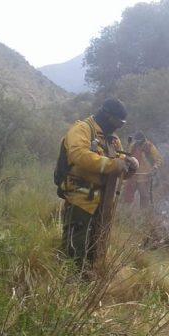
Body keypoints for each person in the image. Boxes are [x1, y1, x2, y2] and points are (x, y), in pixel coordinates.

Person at [58, 98, 139, 270]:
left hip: (104, 203)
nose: (118, 126)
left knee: (96, 247)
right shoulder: (82, 130)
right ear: (106, 115)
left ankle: (89, 282)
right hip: (80, 199)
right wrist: (113, 164)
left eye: (122, 123)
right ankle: (68, 285)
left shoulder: (113, 139)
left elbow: (117, 168)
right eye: (117, 121)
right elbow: (79, 155)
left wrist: (129, 166)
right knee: (75, 247)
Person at [123, 131, 163, 208]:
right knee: (126, 196)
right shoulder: (133, 146)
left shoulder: (149, 146)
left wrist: (155, 168)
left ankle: (143, 215)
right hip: (132, 176)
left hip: (144, 177)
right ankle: (126, 212)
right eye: (136, 141)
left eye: (139, 141)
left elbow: (159, 160)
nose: (137, 142)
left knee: (144, 197)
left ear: (143, 139)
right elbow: (127, 156)